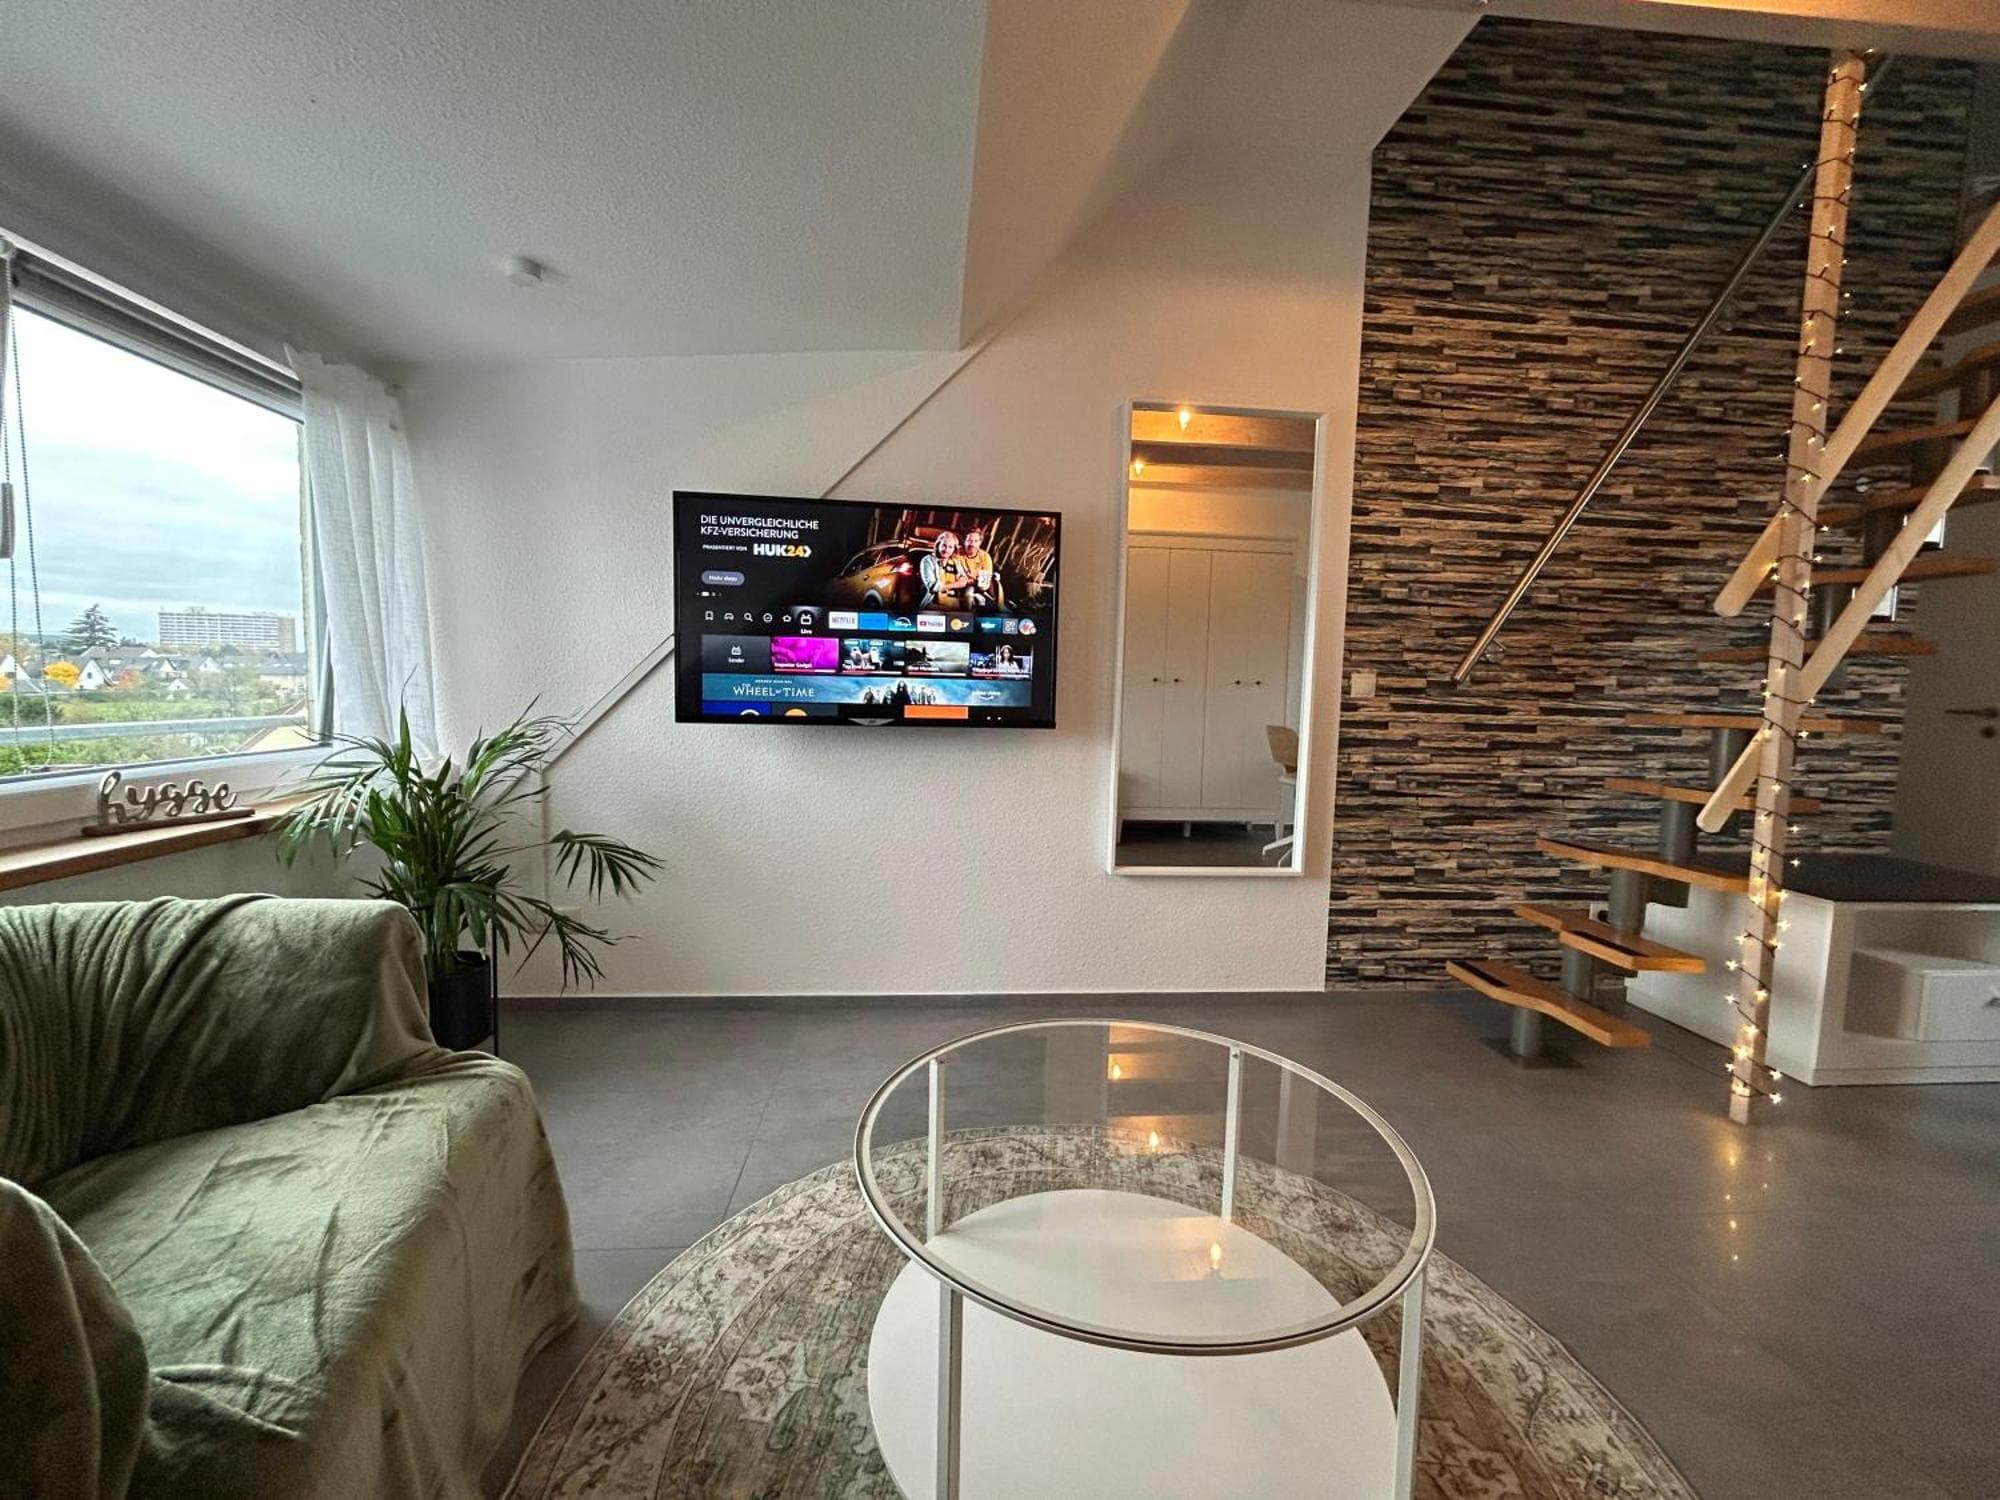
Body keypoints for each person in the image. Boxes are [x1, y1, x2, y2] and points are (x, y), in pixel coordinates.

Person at [919, 530, 974, 608]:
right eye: (944, 546)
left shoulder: (956, 561)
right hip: (933, 604)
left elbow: (963, 578)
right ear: (938, 545)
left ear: (954, 549)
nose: (946, 550)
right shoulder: (927, 561)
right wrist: (957, 584)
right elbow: (933, 587)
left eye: (950, 547)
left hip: (955, 602)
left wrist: (963, 578)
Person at [961, 527, 1004, 608]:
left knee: (970, 594)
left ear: (980, 542)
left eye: (976, 541)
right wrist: (975, 578)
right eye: (969, 541)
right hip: (959, 586)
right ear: (964, 541)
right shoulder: (957, 553)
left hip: (978, 588)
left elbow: (984, 585)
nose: (972, 544)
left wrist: (972, 579)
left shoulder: (985, 557)